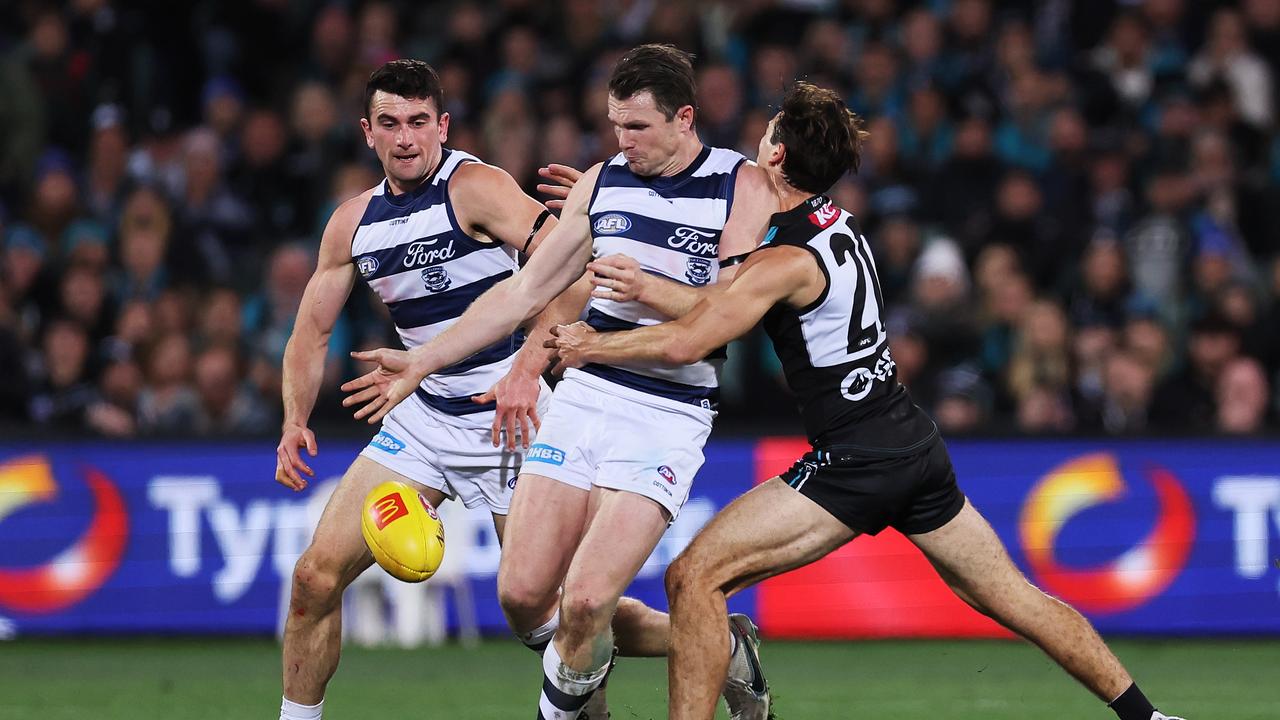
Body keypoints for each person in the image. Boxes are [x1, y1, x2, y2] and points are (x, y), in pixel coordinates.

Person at [545, 82, 1186, 720]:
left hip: (856, 456)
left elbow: (693, 338)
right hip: (910, 438)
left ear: (775, 159)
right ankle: (1148, 717)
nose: (757, 141)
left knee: (694, 577)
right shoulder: (837, 224)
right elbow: (719, 300)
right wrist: (623, 208)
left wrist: (591, 346)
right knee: (1013, 597)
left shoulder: (780, 261)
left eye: (768, 134)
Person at [341, 45, 778, 719]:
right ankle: (723, 643)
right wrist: (423, 362)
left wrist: (651, 289)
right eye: (614, 126)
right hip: (584, 395)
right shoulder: (603, 181)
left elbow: (738, 313)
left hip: (668, 411)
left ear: (685, 118)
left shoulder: (738, 184)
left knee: (584, 600)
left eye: (637, 128)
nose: (621, 142)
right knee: (523, 598)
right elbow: (525, 290)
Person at [273, 59, 660, 720]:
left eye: (419, 122)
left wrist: (526, 371)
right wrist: (294, 419)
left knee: (554, 618)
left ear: (442, 125)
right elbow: (311, 332)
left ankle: (707, 636)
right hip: (423, 420)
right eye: (390, 123)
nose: (406, 138)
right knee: (314, 576)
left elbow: (567, 279)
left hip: (515, 421)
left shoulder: (477, 189)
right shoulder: (352, 225)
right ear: (368, 133)